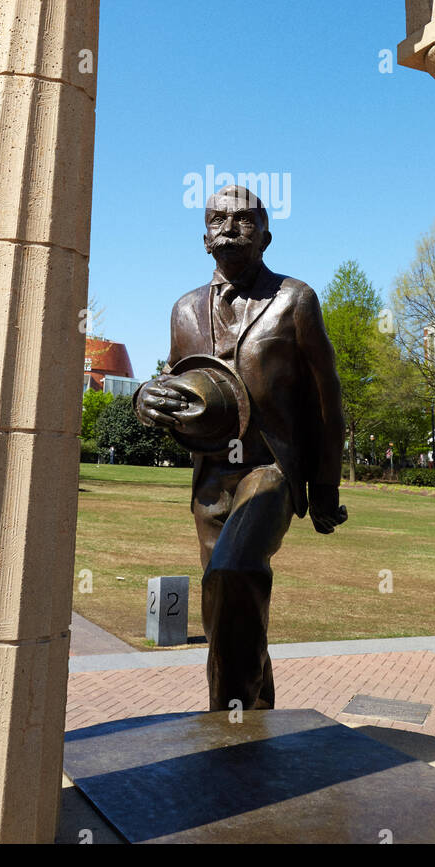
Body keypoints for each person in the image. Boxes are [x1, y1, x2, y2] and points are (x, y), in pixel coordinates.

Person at [135, 185, 346, 711]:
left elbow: (327, 398)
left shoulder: (294, 299)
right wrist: (146, 397)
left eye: (244, 220)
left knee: (232, 573)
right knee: (224, 602)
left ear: (267, 236)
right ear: (203, 235)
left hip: (270, 467)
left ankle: (228, 739)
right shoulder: (184, 309)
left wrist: (324, 486)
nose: (229, 228)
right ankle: (254, 710)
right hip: (210, 475)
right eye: (216, 219)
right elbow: (179, 382)